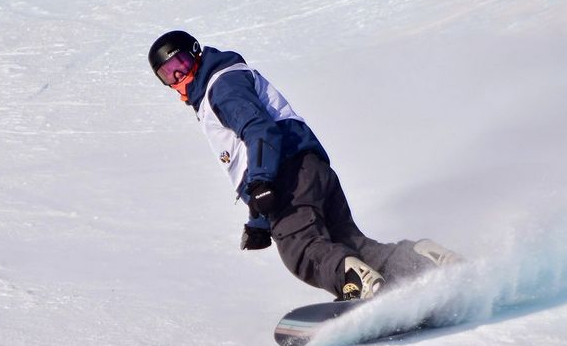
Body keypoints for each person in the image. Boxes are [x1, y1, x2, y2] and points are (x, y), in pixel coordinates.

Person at [148, 30, 459, 300]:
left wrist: (261, 183)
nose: (178, 76)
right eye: (168, 73)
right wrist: (258, 220)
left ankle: (354, 283)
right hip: (308, 169)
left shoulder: (221, 86)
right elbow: (249, 150)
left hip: (287, 174)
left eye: (182, 64)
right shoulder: (223, 82)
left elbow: (260, 130)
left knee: (301, 250)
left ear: (196, 55)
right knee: (349, 243)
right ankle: (419, 259)